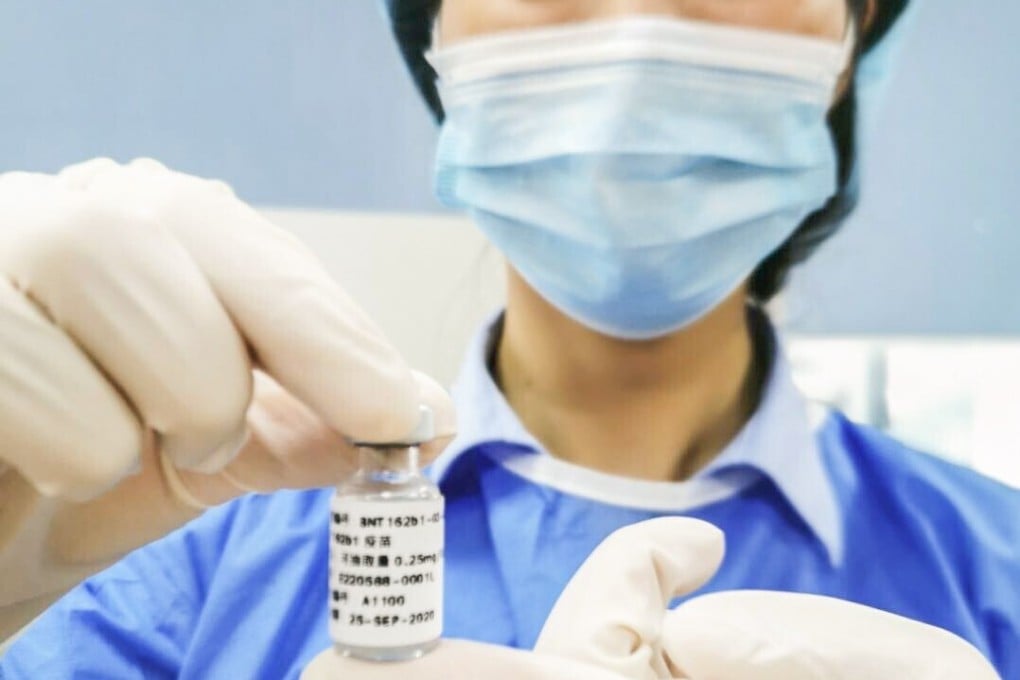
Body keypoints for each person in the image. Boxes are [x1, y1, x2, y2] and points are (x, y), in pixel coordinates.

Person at [0, 0, 1017, 678]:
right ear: (435, 37)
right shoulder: (166, 565)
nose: (636, 28)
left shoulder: (997, 574)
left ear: (854, 35)